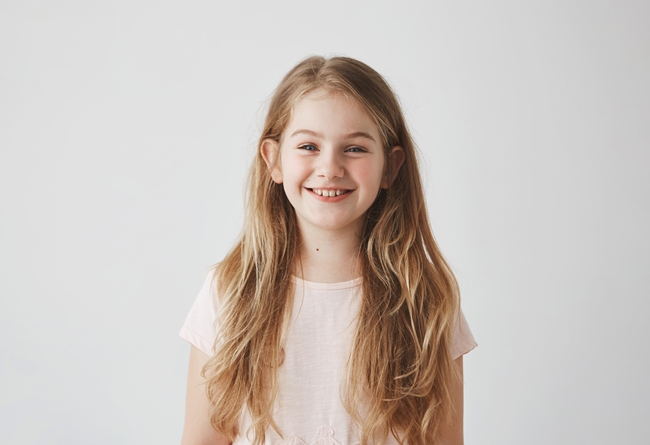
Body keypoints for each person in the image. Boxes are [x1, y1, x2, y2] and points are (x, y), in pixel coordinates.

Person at [180, 56, 477, 445]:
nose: (330, 167)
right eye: (308, 146)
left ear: (391, 166)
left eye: (354, 149)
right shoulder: (229, 291)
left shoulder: (426, 297)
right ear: (274, 161)